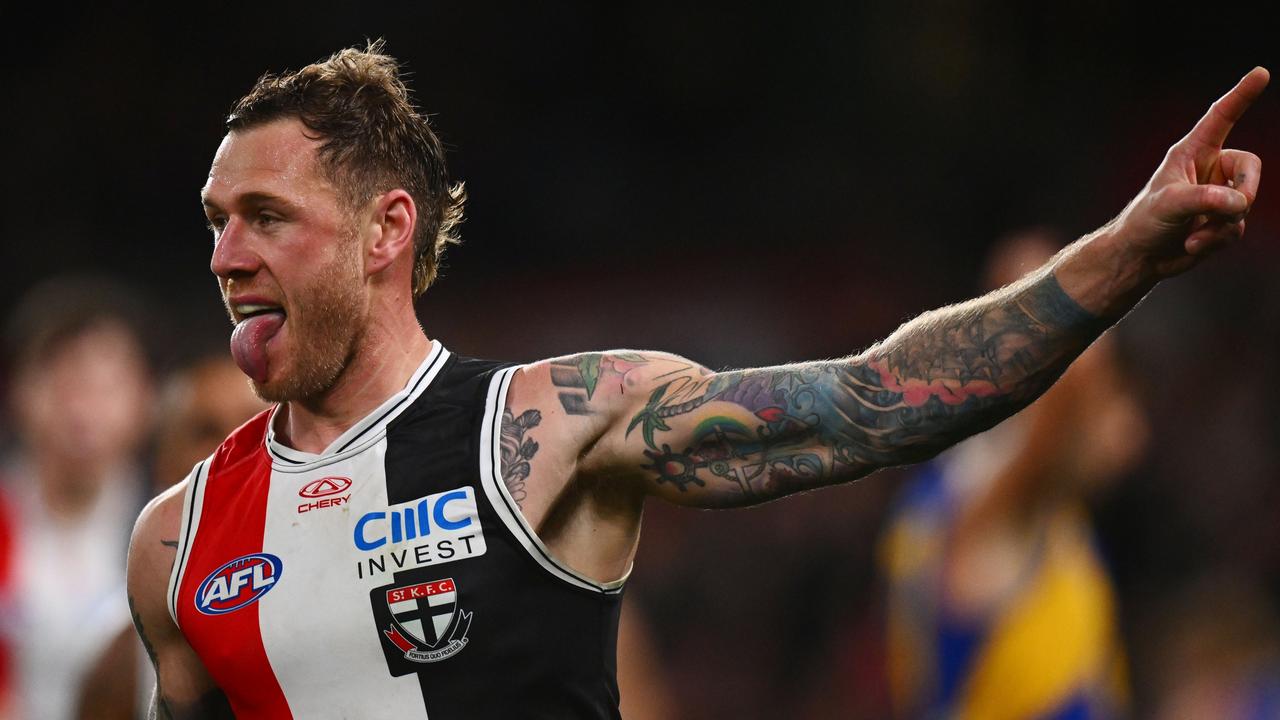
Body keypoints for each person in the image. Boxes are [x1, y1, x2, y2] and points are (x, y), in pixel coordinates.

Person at [126, 41, 1267, 719]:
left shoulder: (550, 429)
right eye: (218, 222)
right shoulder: (174, 546)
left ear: (385, 231)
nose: (227, 256)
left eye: (267, 218)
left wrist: (1124, 253)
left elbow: (875, 399)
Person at [879, 229, 1148, 719]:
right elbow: (1077, 362)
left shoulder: (1049, 515)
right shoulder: (984, 503)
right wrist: (1137, 245)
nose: (1131, 429)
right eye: (1114, 400)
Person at [76, 354, 266, 720]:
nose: (231, 445)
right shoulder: (121, 658)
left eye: (252, 425)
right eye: (204, 430)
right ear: (163, 458)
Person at [0, 277, 155, 720]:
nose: (83, 411)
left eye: (105, 386)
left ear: (145, 399)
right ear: (21, 393)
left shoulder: (174, 526)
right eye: (66, 382)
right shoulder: (6, 519)